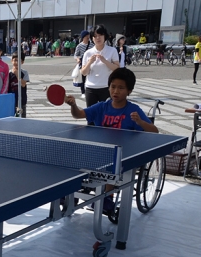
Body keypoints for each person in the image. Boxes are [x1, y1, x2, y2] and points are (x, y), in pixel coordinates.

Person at [64, 67, 158, 212]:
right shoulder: (101, 107)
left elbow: (154, 131)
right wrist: (73, 105)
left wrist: (141, 122)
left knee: (112, 163)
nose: (116, 91)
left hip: (123, 153)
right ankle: (76, 190)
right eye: (113, 87)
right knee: (76, 156)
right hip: (100, 150)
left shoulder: (134, 110)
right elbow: (78, 115)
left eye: (121, 88)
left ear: (129, 91)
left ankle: (107, 197)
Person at [80, 24, 119, 109]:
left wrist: (105, 61)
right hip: (90, 88)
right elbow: (83, 73)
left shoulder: (112, 50)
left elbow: (116, 68)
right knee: (91, 116)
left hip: (106, 87)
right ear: (92, 38)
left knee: (107, 115)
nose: (98, 38)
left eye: (100, 35)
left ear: (105, 36)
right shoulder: (88, 53)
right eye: (95, 36)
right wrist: (90, 62)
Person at [8, 52, 29, 117]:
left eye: (19, 61)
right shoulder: (8, 73)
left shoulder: (24, 73)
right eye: (15, 60)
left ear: (22, 62)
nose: (16, 62)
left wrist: (17, 74)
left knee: (21, 118)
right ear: (12, 61)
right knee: (12, 118)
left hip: (21, 100)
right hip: (11, 101)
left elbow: (23, 84)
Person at [74, 30, 93, 99]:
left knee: (90, 77)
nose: (88, 37)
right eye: (86, 36)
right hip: (83, 63)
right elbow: (75, 55)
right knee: (83, 78)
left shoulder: (92, 45)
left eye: (88, 36)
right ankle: (83, 92)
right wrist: (77, 59)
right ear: (83, 37)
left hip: (91, 63)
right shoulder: (79, 46)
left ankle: (90, 91)